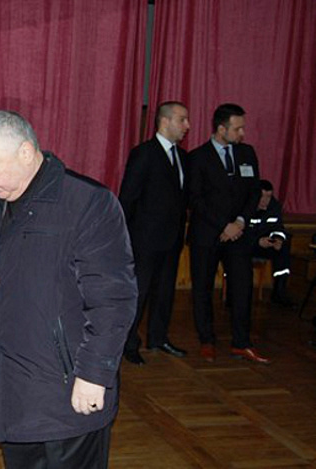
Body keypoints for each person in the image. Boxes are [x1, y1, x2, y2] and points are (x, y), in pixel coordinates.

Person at [0, 111, 137, 469]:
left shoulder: (87, 202)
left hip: (67, 394)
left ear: (24, 152)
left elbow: (113, 300)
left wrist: (94, 374)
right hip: (10, 392)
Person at [188, 103, 269, 364]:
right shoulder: (198, 157)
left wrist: (240, 222)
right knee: (202, 289)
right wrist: (223, 225)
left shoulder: (247, 153)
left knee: (242, 287)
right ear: (221, 129)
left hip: (239, 235)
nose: (242, 133)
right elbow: (195, 199)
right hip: (208, 234)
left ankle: (241, 342)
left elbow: (254, 192)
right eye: (237, 128)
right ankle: (207, 340)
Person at [119, 101, 190, 365]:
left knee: (165, 292)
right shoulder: (144, 154)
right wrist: (124, 239)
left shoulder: (182, 157)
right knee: (138, 293)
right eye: (182, 120)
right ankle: (128, 343)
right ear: (165, 121)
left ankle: (158, 337)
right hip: (145, 240)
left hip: (171, 239)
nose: (187, 126)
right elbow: (128, 198)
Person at [247, 179, 295, 307]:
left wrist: (278, 239)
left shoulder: (274, 207)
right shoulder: (245, 206)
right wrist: (257, 242)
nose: (265, 200)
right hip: (247, 245)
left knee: (284, 247)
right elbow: (241, 233)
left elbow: (278, 227)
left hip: (266, 244)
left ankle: (279, 291)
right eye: (262, 196)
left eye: (268, 196)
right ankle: (238, 294)